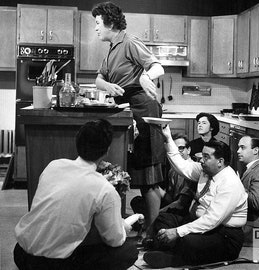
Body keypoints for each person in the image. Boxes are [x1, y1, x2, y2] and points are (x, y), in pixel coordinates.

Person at [13, 119, 140, 270]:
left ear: (77, 143)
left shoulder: (53, 166)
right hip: (51, 265)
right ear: (107, 150)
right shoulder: (105, 189)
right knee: (128, 251)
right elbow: (114, 240)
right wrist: (123, 227)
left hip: (20, 253)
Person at [92, 2, 165, 230]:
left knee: (148, 177)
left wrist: (146, 77)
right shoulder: (113, 48)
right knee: (126, 171)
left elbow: (157, 67)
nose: (95, 28)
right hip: (126, 108)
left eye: (97, 23)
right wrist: (109, 86)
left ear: (110, 23)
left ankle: (153, 233)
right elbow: (98, 79)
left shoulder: (129, 42)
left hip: (143, 109)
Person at [143, 125, 248, 268]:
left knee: (188, 240)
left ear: (220, 162)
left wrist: (177, 232)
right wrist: (167, 137)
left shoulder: (230, 184)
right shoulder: (205, 170)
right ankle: (171, 249)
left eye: (206, 157)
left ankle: (171, 257)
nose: (201, 160)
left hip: (225, 235)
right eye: (202, 156)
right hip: (200, 222)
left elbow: (211, 220)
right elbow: (182, 166)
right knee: (164, 218)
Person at [130, 133, 197, 217]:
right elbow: (169, 198)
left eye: (181, 148)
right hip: (172, 204)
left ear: (189, 150)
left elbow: (180, 204)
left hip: (182, 211)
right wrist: (154, 187)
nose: (177, 152)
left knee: (153, 215)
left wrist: (157, 213)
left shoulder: (191, 171)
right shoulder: (172, 170)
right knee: (137, 201)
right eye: (174, 149)